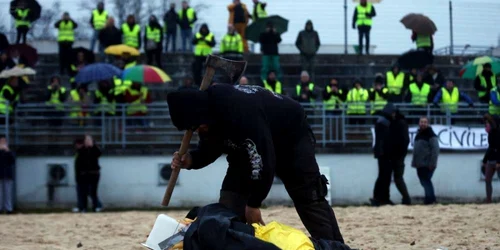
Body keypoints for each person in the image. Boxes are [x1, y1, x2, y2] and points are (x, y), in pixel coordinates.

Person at [167, 84, 345, 243]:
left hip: (290, 138)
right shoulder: (205, 115)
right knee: (228, 207)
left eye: (198, 126)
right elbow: (210, 148)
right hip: (245, 148)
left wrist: (253, 204)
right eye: (193, 129)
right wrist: (191, 159)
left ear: (202, 115)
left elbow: (264, 162)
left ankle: (335, 247)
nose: (198, 130)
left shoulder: (239, 112)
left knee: (308, 196)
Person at [372, 103, 410, 206]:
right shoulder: (385, 123)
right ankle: (381, 198)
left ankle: (380, 198)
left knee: (383, 176)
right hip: (385, 154)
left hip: (383, 154)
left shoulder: (382, 121)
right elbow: (386, 140)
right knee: (384, 177)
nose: (394, 115)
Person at [411, 117, 439, 205]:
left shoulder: (431, 135)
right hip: (420, 164)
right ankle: (429, 199)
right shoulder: (418, 134)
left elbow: (435, 150)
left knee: (426, 181)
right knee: (425, 182)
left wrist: (432, 163)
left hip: (427, 163)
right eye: (421, 122)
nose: (423, 123)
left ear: (428, 124)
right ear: (419, 123)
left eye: (425, 122)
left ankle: (430, 199)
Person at [75, 135, 103, 212]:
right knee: (84, 191)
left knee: (93, 191)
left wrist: (93, 146)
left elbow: (99, 153)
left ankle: (95, 207)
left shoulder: (95, 149)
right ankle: (84, 208)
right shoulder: (82, 150)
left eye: (89, 140)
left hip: (94, 174)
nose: (88, 142)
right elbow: (79, 160)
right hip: (85, 174)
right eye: (86, 140)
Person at [482, 114, 500, 203]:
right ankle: (488, 199)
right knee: (487, 179)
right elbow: (490, 147)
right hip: (491, 160)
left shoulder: (498, 133)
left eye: (488, 123)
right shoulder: (491, 133)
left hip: (497, 160)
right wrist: (485, 160)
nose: (486, 125)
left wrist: (498, 161)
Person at [0, 135, 15, 214]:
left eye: (4, 141)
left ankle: (9, 209)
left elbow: (13, 161)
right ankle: (0, 208)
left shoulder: (9, 151)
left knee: (8, 193)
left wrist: (8, 151)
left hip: (8, 175)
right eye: (1, 141)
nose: (2, 143)